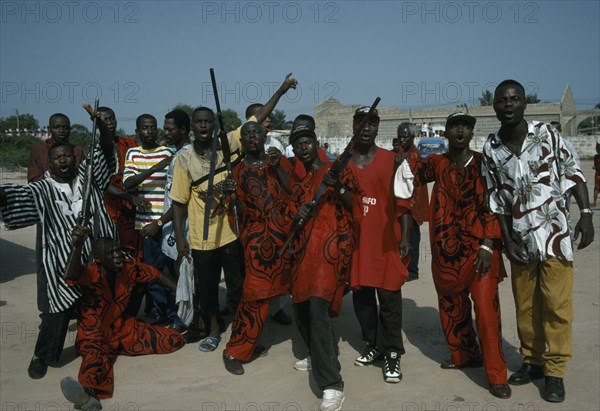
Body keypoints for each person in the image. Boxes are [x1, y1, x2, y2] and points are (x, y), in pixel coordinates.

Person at [482, 79, 595, 403]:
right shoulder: (492, 148)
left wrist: (586, 214)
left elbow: (574, 173)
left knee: (557, 307)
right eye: (502, 100)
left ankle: (555, 371)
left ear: (524, 103)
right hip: (521, 242)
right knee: (526, 307)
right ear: (495, 106)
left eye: (514, 99)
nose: (508, 104)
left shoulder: (547, 134)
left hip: (555, 237)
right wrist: (506, 240)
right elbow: (496, 201)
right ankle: (532, 361)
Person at [0, 105, 115, 380]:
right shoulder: (43, 188)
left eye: (67, 157)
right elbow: (13, 196)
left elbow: (105, 152)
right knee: (57, 309)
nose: (63, 161)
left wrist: (99, 126)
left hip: (94, 256)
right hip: (62, 261)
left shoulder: (89, 178)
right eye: (58, 158)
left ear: (74, 159)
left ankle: (95, 348)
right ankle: (43, 356)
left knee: (97, 305)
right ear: (49, 164)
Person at [406, 112, 511, 399]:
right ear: (446, 133)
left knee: (488, 315)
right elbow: (409, 172)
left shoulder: (483, 164)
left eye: (465, 126)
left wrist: (489, 243)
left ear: (471, 132)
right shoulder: (437, 164)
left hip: (480, 254)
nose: (460, 131)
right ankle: (465, 355)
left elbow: (495, 205)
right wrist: (407, 146)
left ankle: (497, 375)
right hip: (445, 255)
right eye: (455, 127)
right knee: (453, 309)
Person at [60, 227, 184, 410]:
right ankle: (87, 397)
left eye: (119, 250)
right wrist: (77, 247)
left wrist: (184, 294)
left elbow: (157, 275)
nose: (118, 255)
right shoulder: (90, 273)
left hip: (122, 328)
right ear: (99, 259)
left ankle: (109, 358)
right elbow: (70, 274)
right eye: (111, 253)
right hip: (94, 333)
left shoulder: (128, 269)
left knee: (173, 340)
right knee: (95, 361)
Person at [287, 125, 362, 411]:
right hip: (304, 255)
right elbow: (289, 220)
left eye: (307, 142)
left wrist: (338, 186)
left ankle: (332, 384)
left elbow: (356, 206)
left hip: (330, 254)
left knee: (318, 308)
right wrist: (297, 215)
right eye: (297, 145)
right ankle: (318, 354)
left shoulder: (338, 170)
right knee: (301, 308)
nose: (303, 148)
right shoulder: (299, 182)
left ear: (316, 143)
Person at [222, 121, 294, 375]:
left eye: (256, 132)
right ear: (241, 142)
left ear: (265, 136)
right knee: (256, 297)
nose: (252, 136)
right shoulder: (236, 172)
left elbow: (294, 192)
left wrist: (277, 166)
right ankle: (235, 350)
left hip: (286, 240)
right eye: (247, 134)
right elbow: (236, 214)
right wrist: (228, 195)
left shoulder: (279, 164)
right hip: (258, 245)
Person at [348, 106, 412, 384]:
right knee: (362, 299)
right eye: (361, 122)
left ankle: (393, 352)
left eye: (371, 123)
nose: (366, 128)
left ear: (377, 128)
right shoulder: (343, 162)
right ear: (354, 125)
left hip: (386, 242)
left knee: (389, 300)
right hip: (356, 245)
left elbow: (404, 202)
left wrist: (406, 237)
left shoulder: (393, 160)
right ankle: (373, 343)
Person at [25, 113, 87, 379]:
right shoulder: (38, 151)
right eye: (56, 127)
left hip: (79, 226)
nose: (61, 131)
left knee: (84, 283)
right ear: (49, 129)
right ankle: (43, 353)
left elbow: (85, 181)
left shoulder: (78, 151)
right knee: (52, 284)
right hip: (51, 224)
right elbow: (34, 184)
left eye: (65, 127)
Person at [123, 114, 184, 329]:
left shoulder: (168, 152)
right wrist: (155, 168)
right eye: (145, 128)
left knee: (171, 272)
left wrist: (161, 222)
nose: (150, 131)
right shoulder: (133, 153)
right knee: (153, 274)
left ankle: (177, 315)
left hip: (168, 224)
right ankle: (168, 315)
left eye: (153, 127)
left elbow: (178, 188)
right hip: (145, 226)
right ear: (137, 131)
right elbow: (129, 183)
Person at [98, 107, 146, 258]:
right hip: (109, 207)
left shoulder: (129, 143)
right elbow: (103, 182)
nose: (109, 122)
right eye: (104, 120)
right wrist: (128, 197)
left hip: (131, 206)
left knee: (133, 246)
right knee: (111, 248)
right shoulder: (96, 150)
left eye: (111, 118)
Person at [395, 123, 429, 281]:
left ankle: (412, 270)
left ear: (412, 137)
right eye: (400, 136)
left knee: (411, 236)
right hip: (404, 200)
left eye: (405, 137)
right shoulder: (401, 153)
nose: (402, 139)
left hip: (412, 203)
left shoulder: (414, 156)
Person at [593, 142, 600, 207]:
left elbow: (594, 166)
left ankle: (594, 203)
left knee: (596, 189)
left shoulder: (596, 157)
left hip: (597, 175)